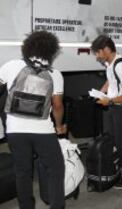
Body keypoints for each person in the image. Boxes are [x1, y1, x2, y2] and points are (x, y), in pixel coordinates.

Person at [0, 31, 66, 209]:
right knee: (56, 169)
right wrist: (59, 126)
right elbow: (57, 106)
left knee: (23, 172)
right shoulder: (55, 74)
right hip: (43, 131)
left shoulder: (11, 66)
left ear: (27, 47)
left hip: (14, 130)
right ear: (51, 52)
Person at [91, 35, 122, 189]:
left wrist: (110, 101)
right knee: (113, 140)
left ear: (106, 49)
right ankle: (120, 169)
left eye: (98, 53)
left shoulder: (120, 65)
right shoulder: (110, 63)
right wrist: (101, 92)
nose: (97, 57)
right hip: (114, 107)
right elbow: (110, 80)